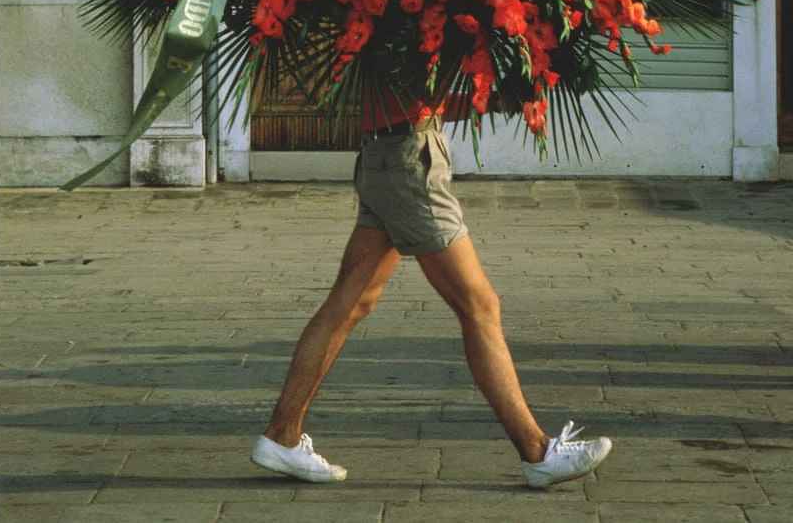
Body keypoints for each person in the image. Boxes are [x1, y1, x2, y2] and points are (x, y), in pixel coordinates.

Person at [251, 110, 612, 490]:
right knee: (480, 306)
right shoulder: (393, 51)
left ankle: (282, 435)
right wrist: (488, 93)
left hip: (388, 156)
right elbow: (412, 101)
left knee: (352, 301)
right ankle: (537, 452)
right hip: (409, 163)